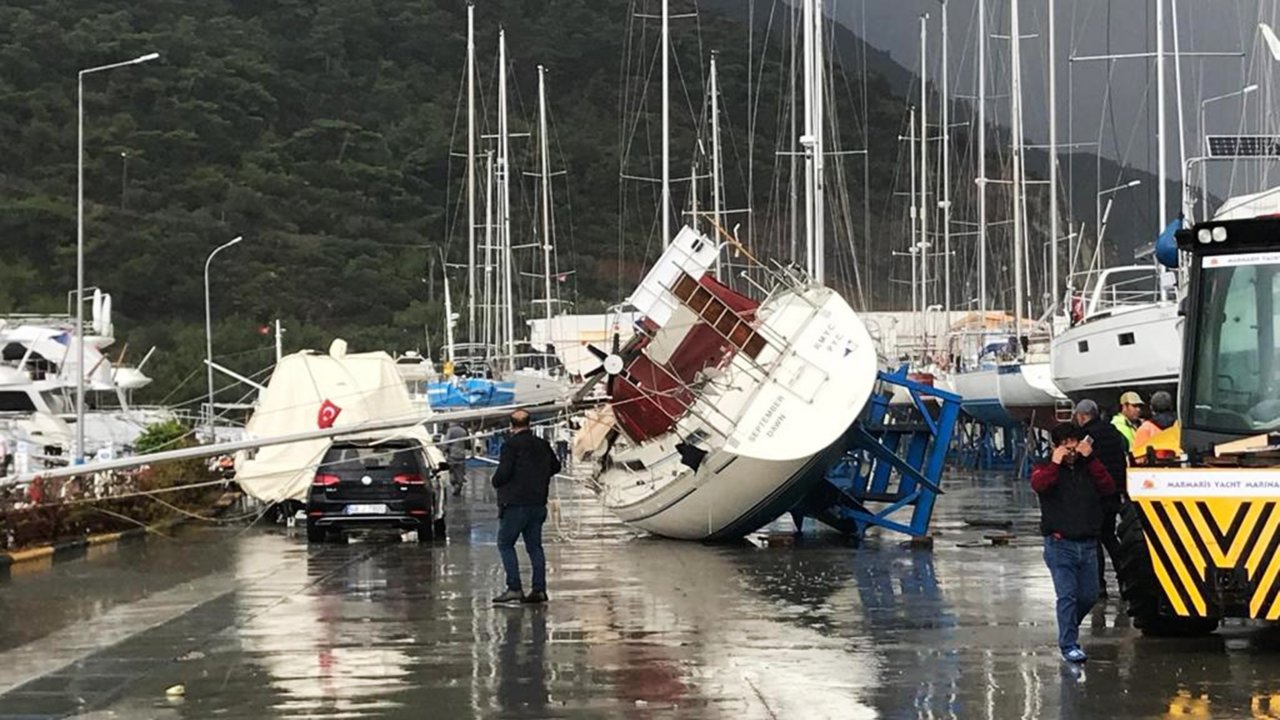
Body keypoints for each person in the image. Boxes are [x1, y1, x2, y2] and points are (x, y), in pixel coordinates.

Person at [1032, 423, 1117, 663]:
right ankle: (1069, 644)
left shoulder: (1088, 467)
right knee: (1067, 595)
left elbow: (1108, 487)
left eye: (1075, 443)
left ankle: (1068, 626)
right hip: (1060, 544)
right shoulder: (1045, 468)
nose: (1071, 449)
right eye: (1065, 444)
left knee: (1089, 596)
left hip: (1088, 543)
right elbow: (1040, 485)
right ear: (1055, 446)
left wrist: (1091, 460)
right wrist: (1055, 464)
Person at [491, 409, 561, 605]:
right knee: (535, 547)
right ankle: (539, 589)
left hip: (515, 504)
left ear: (511, 425)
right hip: (538, 503)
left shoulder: (510, 446)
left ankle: (514, 588)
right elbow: (556, 466)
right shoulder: (543, 445)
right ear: (529, 424)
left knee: (505, 544)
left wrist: (495, 481)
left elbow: (503, 474)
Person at [1073, 399, 1126, 598]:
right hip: (1113, 491)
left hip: (1095, 494)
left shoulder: (1086, 436)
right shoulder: (1113, 431)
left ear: (1082, 416)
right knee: (1110, 536)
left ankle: (1099, 585)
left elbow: (1081, 462)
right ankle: (1124, 579)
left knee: (1094, 539)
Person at [1132, 390, 1178, 461]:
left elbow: (1138, 459)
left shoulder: (1145, 428)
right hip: (1178, 470)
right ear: (1171, 406)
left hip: (1153, 471)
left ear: (1151, 408)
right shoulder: (1179, 426)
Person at [443, 421, 469, 496]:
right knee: (460, 471)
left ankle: (455, 485)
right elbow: (467, 443)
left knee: (451, 471)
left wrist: (444, 450)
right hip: (462, 454)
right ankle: (459, 485)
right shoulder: (463, 431)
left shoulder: (450, 430)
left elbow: (446, 442)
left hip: (452, 454)